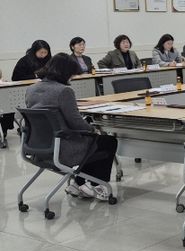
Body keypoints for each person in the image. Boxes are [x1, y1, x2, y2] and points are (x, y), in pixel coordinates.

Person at [25, 53, 117, 201]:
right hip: (62, 147)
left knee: (91, 142)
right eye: (72, 74)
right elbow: (76, 122)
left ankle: (78, 183)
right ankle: (98, 185)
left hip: (37, 147)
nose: (72, 77)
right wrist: (92, 129)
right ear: (65, 72)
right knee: (107, 141)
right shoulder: (64, 91)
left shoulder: (31, 89)